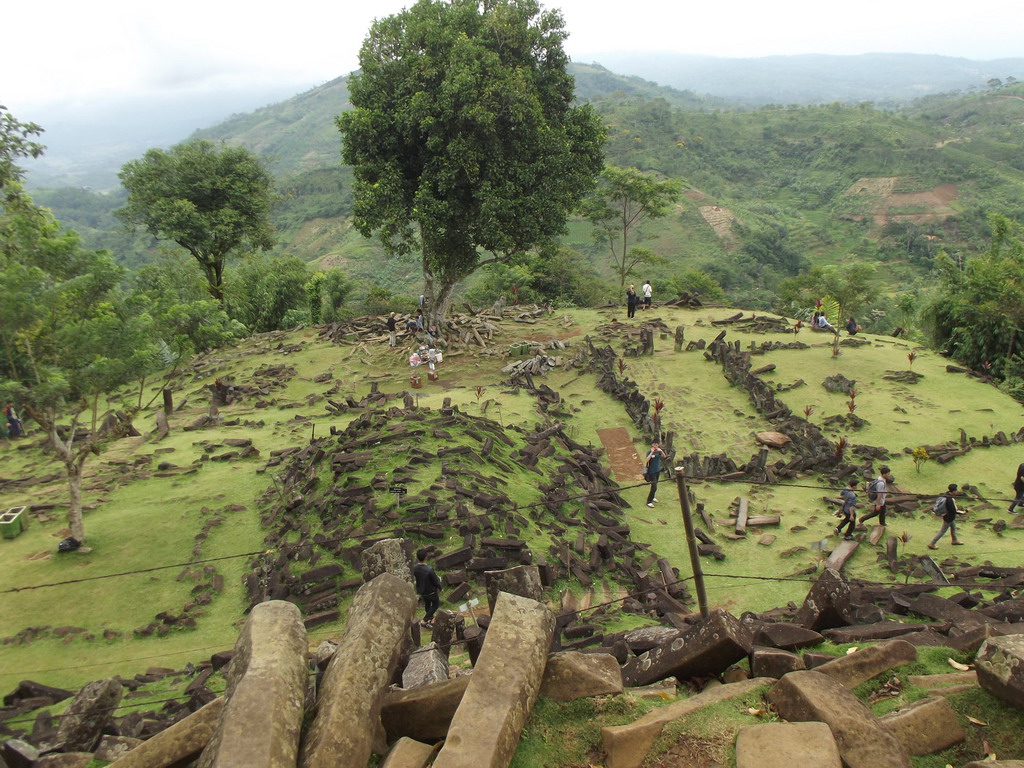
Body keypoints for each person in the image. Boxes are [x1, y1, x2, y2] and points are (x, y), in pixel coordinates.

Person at [928, 484, 965, 549]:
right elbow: (953, 510)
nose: (957, 491)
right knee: (942, 531)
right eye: (956, 490)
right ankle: (932, 543)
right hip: (949, 517)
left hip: (948, 516)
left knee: (953, 527)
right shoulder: (950, 499)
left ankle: (954, 540)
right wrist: (963, 512)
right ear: (953, 491)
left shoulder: (946, 494)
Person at [413, 548, 442, 628]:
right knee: (436, 604)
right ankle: (424, 620)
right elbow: (435, 580)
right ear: (426, 557)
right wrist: (440, 588)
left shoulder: (415, 568)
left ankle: (431, 619)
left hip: (422, 591)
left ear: (417, 558)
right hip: (431, 591)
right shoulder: (429, 569)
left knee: (427, 605)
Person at [644, 441, 667, 508]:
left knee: (655, 485)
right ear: (652, 445)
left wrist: (661, 451)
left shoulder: (658, 451)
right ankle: (649, 501)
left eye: (657, 444)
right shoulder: (649, 452)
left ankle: (653, 497)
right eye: (654, 444)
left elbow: (664, 456)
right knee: (654, 486)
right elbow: (646, 460)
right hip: (651, 472)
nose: (655, 446)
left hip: (657, 471)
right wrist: (651, 452)